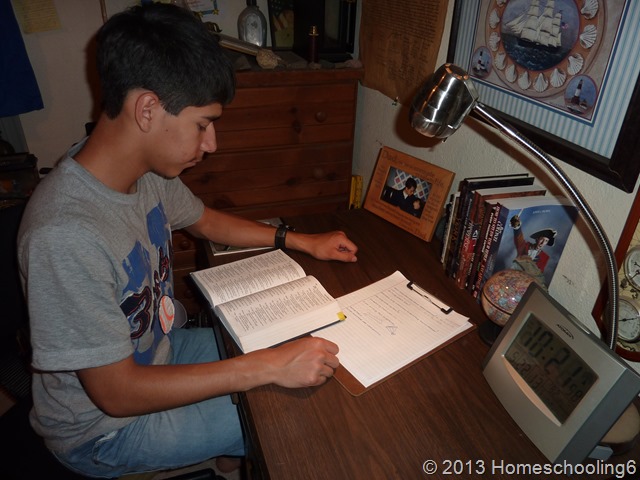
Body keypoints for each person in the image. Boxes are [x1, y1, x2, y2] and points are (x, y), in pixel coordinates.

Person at [16, 4, 358, 478]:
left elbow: (206, 222)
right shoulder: (65, 234)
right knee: (294, 410)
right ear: (148, 109)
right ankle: (236, 448)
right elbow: (116, 394)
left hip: (157, 352)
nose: (211, 143)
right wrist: (264, 368)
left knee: (301, 349)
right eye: (202, 124)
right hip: (104, 428)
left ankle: (228, 451)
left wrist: (300, 241)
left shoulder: (141, 171)